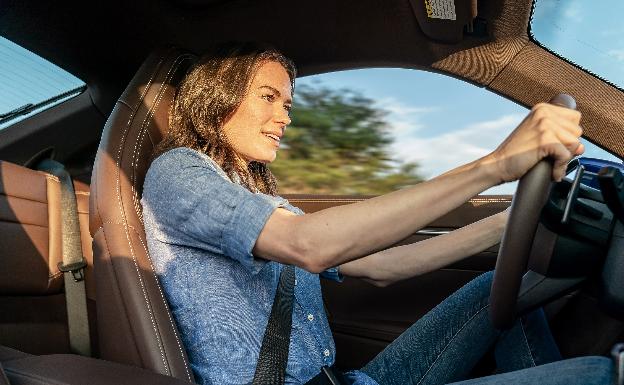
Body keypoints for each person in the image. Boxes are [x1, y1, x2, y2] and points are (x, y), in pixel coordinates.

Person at [141, 43, 613, 385]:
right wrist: (494, 166)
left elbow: (386, 267)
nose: (285, 116)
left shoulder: (263, 200)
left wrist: (511, 222)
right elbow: (306, 245)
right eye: (268, 97)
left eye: (288, 104)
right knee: (601, 375)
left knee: (505, 291)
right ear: (216, 97)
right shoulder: (179, 171)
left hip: (351, 380)